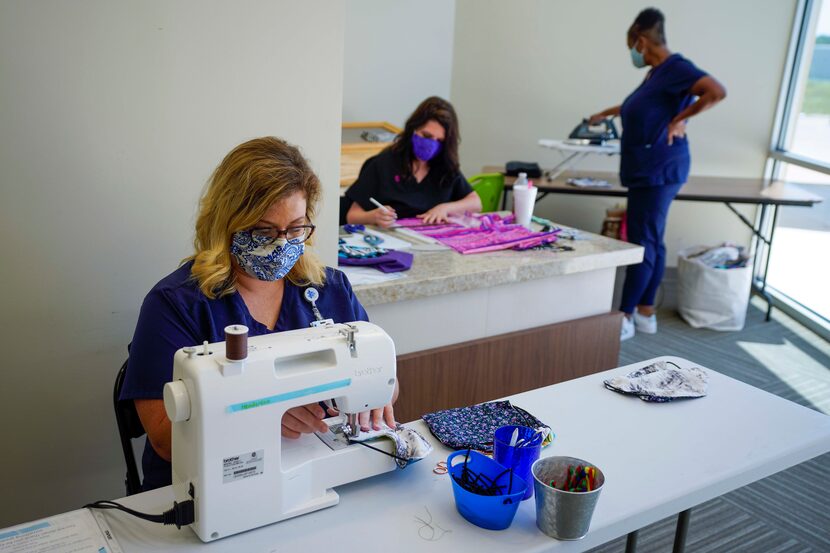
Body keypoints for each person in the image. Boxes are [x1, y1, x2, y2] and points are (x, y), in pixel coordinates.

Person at [120, 137, 398, 491]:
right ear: (228, 222)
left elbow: (384, 380)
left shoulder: (330, 289)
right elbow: (163, 437)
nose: (282, 242)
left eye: (296, 228)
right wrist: (266, 416)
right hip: (206, 487)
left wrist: (376, 396)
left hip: (312, 471)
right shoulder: (175, 305)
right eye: (263, 231)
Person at [588, 8, 726, 341]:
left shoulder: (676, 67)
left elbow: (716, 91)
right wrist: (604, 113)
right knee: (653, 240)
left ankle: (625, 316)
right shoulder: (656, 73)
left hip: (657, 170)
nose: (632, 54)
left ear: (641, 40)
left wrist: (681, 119)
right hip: (649, 169)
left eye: (631, 47)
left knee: (642, 242)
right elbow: (640, 105)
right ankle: (647, 311)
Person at [344, 96, 482, 227]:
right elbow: (352, 216)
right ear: (413, 129)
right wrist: (374, 217)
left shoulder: (446, 167)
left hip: (434, 244)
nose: (431, 145)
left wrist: (445, 208)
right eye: (426, 136)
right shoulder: (384, 164)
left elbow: (476, 203)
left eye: (439, 141)